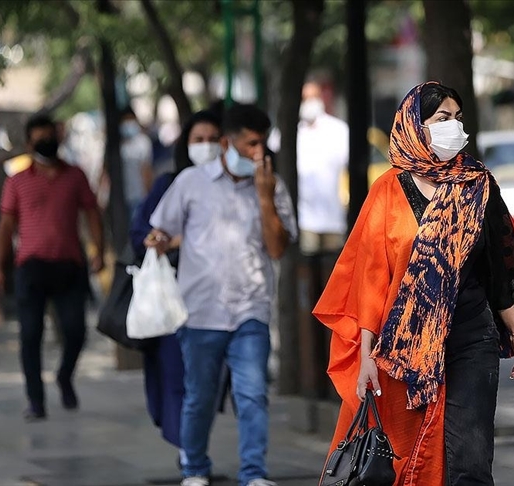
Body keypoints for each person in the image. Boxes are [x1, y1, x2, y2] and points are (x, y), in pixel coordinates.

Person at [313, 82, 514, 485]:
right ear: (415, 125)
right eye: (442, 118)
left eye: (458, 117)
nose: (454, 127)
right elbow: (371, 279)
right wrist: (366, 355)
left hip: (471, 336)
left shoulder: (476, 184)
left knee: (471, 461)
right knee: (403, 456)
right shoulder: (387, 190)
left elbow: (496, 271)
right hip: (403, 342)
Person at [145, 103, 297, 486]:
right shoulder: (191, 182)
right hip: (200, 311)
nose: (258, 153)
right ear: (228, 144)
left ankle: (254, 473)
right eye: (251, 144)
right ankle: (194, 467)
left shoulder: (273, 186)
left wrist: (264, 197)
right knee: (199, 397)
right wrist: (159, 240)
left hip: (251, 309)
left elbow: (277, 248)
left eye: (262, 144)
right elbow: (163, 228)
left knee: (252, 395)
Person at [0, 114, 106, 421]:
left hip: (69, 265)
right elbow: (6, 225)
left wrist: (99, 250)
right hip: (31, 267)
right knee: (30, 334)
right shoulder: (17, 181)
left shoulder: (75, 176)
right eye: (40, 139)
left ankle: (64, 376)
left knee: (76, 331)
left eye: (50, 136)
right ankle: (36, 400)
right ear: (29, 143)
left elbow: (92, 213)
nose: (47, 142)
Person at [128, 110, 222, 468]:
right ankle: (190, 454)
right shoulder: (169, 183)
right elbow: (142, 233)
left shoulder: (231, 185)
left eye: (213, 139)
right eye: (198, 140)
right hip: (173, 296)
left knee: (207, 381)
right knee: (176, 375)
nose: (206, 147)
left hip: (218, 299)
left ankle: (192, 450)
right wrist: (168, 241)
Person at [267, 81, 349, 255]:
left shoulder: (338, 130)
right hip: (303, 219)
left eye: (313, 97)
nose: (309, 103)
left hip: (333, 217)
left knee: (334, 265)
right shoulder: (286, 132)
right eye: (305, 98)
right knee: (304, 265)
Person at [120, 107, 154, 217]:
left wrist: (148, 195)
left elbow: (146, 170)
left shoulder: (143, 142)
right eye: (125, 120)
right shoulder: (117, 144)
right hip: (121, 197)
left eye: (130, 119)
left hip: (138, 196)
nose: (128, 123)